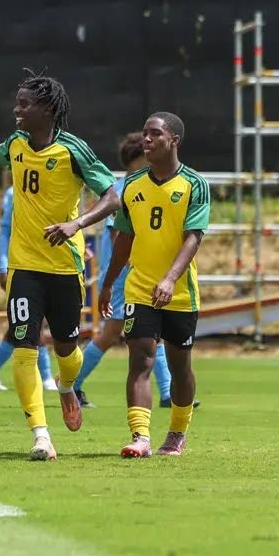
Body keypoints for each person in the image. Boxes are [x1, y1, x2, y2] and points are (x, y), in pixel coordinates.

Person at [0, 73, 120, 461]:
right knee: (24, 344)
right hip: (24, 266)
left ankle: (65, 387)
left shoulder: (73, 150)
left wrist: (75, 224)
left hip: (65, 268)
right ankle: (41, 436)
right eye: (17, 102)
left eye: (24, 104)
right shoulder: (18, 145)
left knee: (66, 349)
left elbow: (112, 197)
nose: (17, 109)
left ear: (46, 109)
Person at [99, 112, 209, 458]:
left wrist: (170, 278)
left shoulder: (194, 184)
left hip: (179, 294)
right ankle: (141, 437)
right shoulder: (131, 186)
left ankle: (177, 433)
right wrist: (107, 284)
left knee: (180, 367)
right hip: (139, 290)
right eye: (144, 134)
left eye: (154, 134)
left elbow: (193, 238)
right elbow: (124, 239)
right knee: (141, 361)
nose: (146, 140)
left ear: (173, 140)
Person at [74, 133, 173, 409]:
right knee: (110, 334)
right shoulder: (122, 189)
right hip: (121, 277)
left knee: (155, 331)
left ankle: (167, 393)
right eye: (145, 156)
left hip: (139, 273)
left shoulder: (146, 185)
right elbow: (119, 234)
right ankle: (71, 384)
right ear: (134, 160)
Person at [0, 183, 57, 392]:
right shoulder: (15, 192)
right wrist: (3, 265)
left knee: (23, 322)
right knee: (33, 319)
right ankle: (46, 376)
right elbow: (5, 230)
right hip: (19, 266)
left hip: (43, 263)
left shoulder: (52, 187)